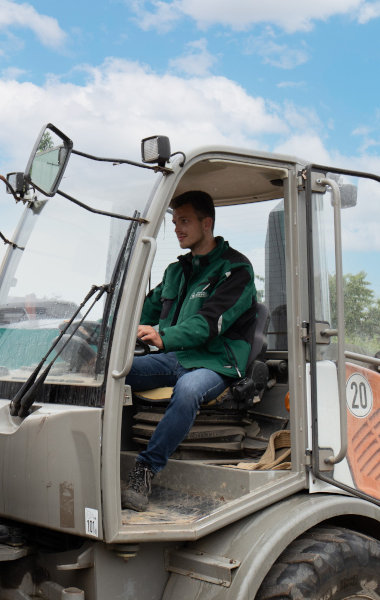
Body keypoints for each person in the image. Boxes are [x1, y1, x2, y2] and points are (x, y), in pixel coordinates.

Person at [121, 190, 258, 512]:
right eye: (174, 222)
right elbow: (140, 310)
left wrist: (163, 336)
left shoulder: (235, 270)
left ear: (206, 223)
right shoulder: (176, 271)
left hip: (215, 362)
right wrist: (99, 331)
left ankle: (145, 470)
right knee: (113, 372)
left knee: (188, 389)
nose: (177, 229)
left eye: (184, 221)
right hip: (175, 357)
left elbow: (209, 323)